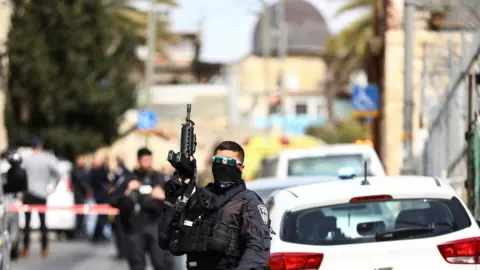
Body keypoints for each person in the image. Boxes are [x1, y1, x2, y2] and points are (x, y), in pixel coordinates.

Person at [158, 141, 271, 270]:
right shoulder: (198, 199)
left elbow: (258, 249)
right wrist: (172, 201)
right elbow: (165, 240)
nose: (222, 165)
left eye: (229, 162)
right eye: (218, 160)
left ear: (241, 167)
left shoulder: (248, 202)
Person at [113, 148, 172, 270]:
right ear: (139, 160)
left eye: (150, 160)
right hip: (136, 226)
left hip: (156, 225)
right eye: (145, 160)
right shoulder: (129, 178)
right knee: (137, 263)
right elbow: (114, 201)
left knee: (160, 263)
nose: (148, 163)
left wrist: (163, 196)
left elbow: (176, 201)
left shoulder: (160, 178)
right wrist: (128, 191)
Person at [21, 137, 61, 258]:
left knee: (27, 224)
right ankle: (44, 248)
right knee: (43, 223)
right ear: (41, 146)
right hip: (42, 194)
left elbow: (21, 176)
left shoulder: (27, 160)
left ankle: (26, 248)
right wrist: (52, 187)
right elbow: (58, 174)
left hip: (28, 193)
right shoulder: (47, 159)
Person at [108, 153, 130, 260]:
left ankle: (123, 252)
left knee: (122, 231)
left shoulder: (126, 173)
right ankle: (121, 251)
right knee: (117, 230)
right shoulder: (116, 174)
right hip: (115, 206)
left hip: (122, 206)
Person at [89, 152, 111, 243]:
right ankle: (97, 235)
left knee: (102, 217)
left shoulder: (97, 170)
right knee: (102, 217)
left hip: (100, 195)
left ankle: (99, 234)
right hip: (101, 196)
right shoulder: (98, 170)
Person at [70, 155, 91, 238]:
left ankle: (81, 229)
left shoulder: (83, 170)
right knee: (79, 214)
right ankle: (78, 230)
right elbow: (81, 180)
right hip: (78, 194)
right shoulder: (76, 170)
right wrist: (88, 189)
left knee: (82, 214)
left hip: (82, 194)